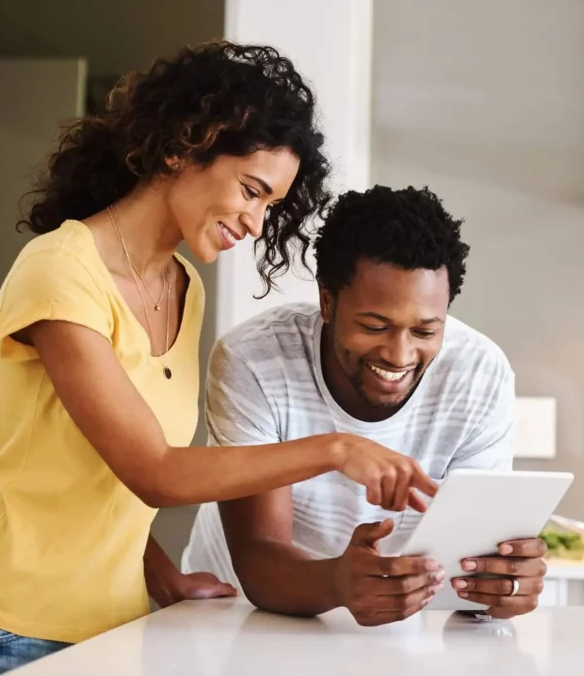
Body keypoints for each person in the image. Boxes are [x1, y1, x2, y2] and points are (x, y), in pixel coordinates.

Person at [0, 42, 435, 676]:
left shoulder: (183, 289)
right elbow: (153, 471)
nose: (255, 221)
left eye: (270, 206)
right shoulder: (61, 270)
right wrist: (335, 448)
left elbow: (106, 492)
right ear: (184, 145)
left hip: (117, 633)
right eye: (250, 189)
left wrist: (166, 580)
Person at [180, 185, 548, 626]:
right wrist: (338, 582)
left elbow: (469, 562)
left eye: (426, 331)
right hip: (235, 615)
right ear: (328, 301)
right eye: (375, 326)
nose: (399, 354)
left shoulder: (479, 372)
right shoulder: (255, 359)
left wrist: (501, 583)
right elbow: (261, 559)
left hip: (388, 620)